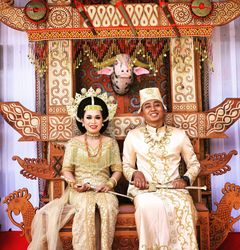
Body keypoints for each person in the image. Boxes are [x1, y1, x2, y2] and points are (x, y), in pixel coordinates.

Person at [28, 87, 122, 250]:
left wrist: (109, 184)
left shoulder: (110, 143)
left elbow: (118, 169)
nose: (93, 122)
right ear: (81, 120)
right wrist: (74, 184)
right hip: (79, 190)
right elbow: (66, 170)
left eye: (97, 117)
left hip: (104, 189)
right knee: (86, 205)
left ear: (103, 119)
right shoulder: (74, 142)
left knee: (108, 206)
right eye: (89, 117)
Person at [123, 87, 201, 250]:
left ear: (163, 109)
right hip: (146, 189)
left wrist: (185, 179)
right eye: (148, 106)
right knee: (147, 205)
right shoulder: (133, 136)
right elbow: (127, 166)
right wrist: (135, 174)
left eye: (157, 105)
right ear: (142, 112)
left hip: (174, 189)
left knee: (184, 205)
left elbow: (194, 164)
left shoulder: (179, 134)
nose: (153, 109)